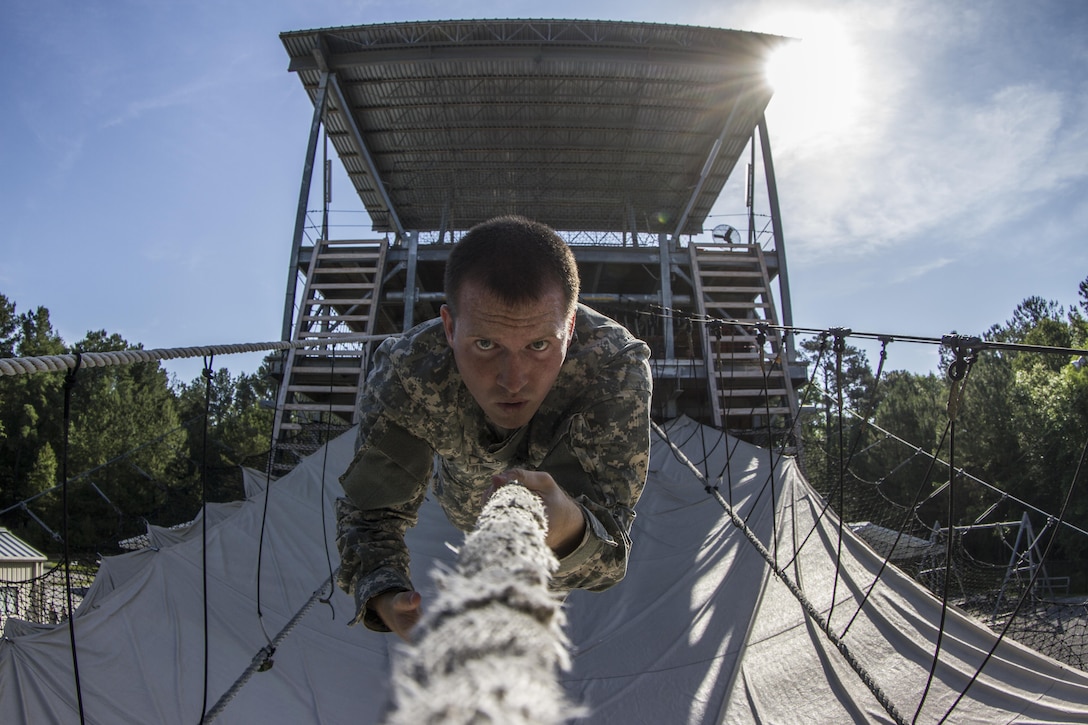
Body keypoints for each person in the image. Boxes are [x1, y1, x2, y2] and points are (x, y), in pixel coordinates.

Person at [335, 215, 652, 639]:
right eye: (486, 345)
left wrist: (567, 529)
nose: (513, 380)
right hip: (465, 505)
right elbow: (372, 512)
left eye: (539, 345)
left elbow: (611, 549)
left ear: (570, 327)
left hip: (552, 523)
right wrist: (385, 593)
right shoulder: (410, 370)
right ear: (449, 328)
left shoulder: (614, 367)